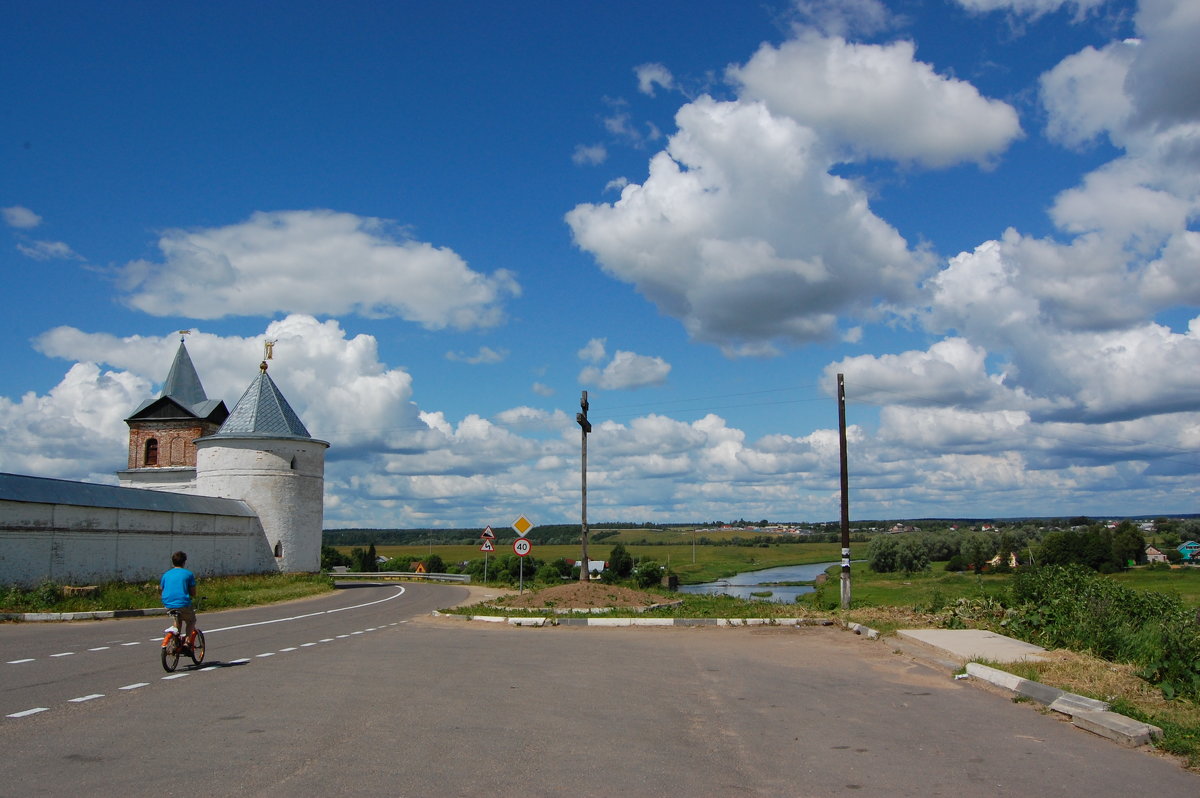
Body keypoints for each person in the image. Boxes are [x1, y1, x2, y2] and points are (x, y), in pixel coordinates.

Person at [160, 551, 197, 647]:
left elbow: (162, 589)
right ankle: (187, 642)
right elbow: (193, 593)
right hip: (183, 603)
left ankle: (175, 643)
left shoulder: (166, 574)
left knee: (177, 619)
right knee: (191, 620)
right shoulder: (188, 574)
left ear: (173, 562)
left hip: (168, 604)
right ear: (184, 562)